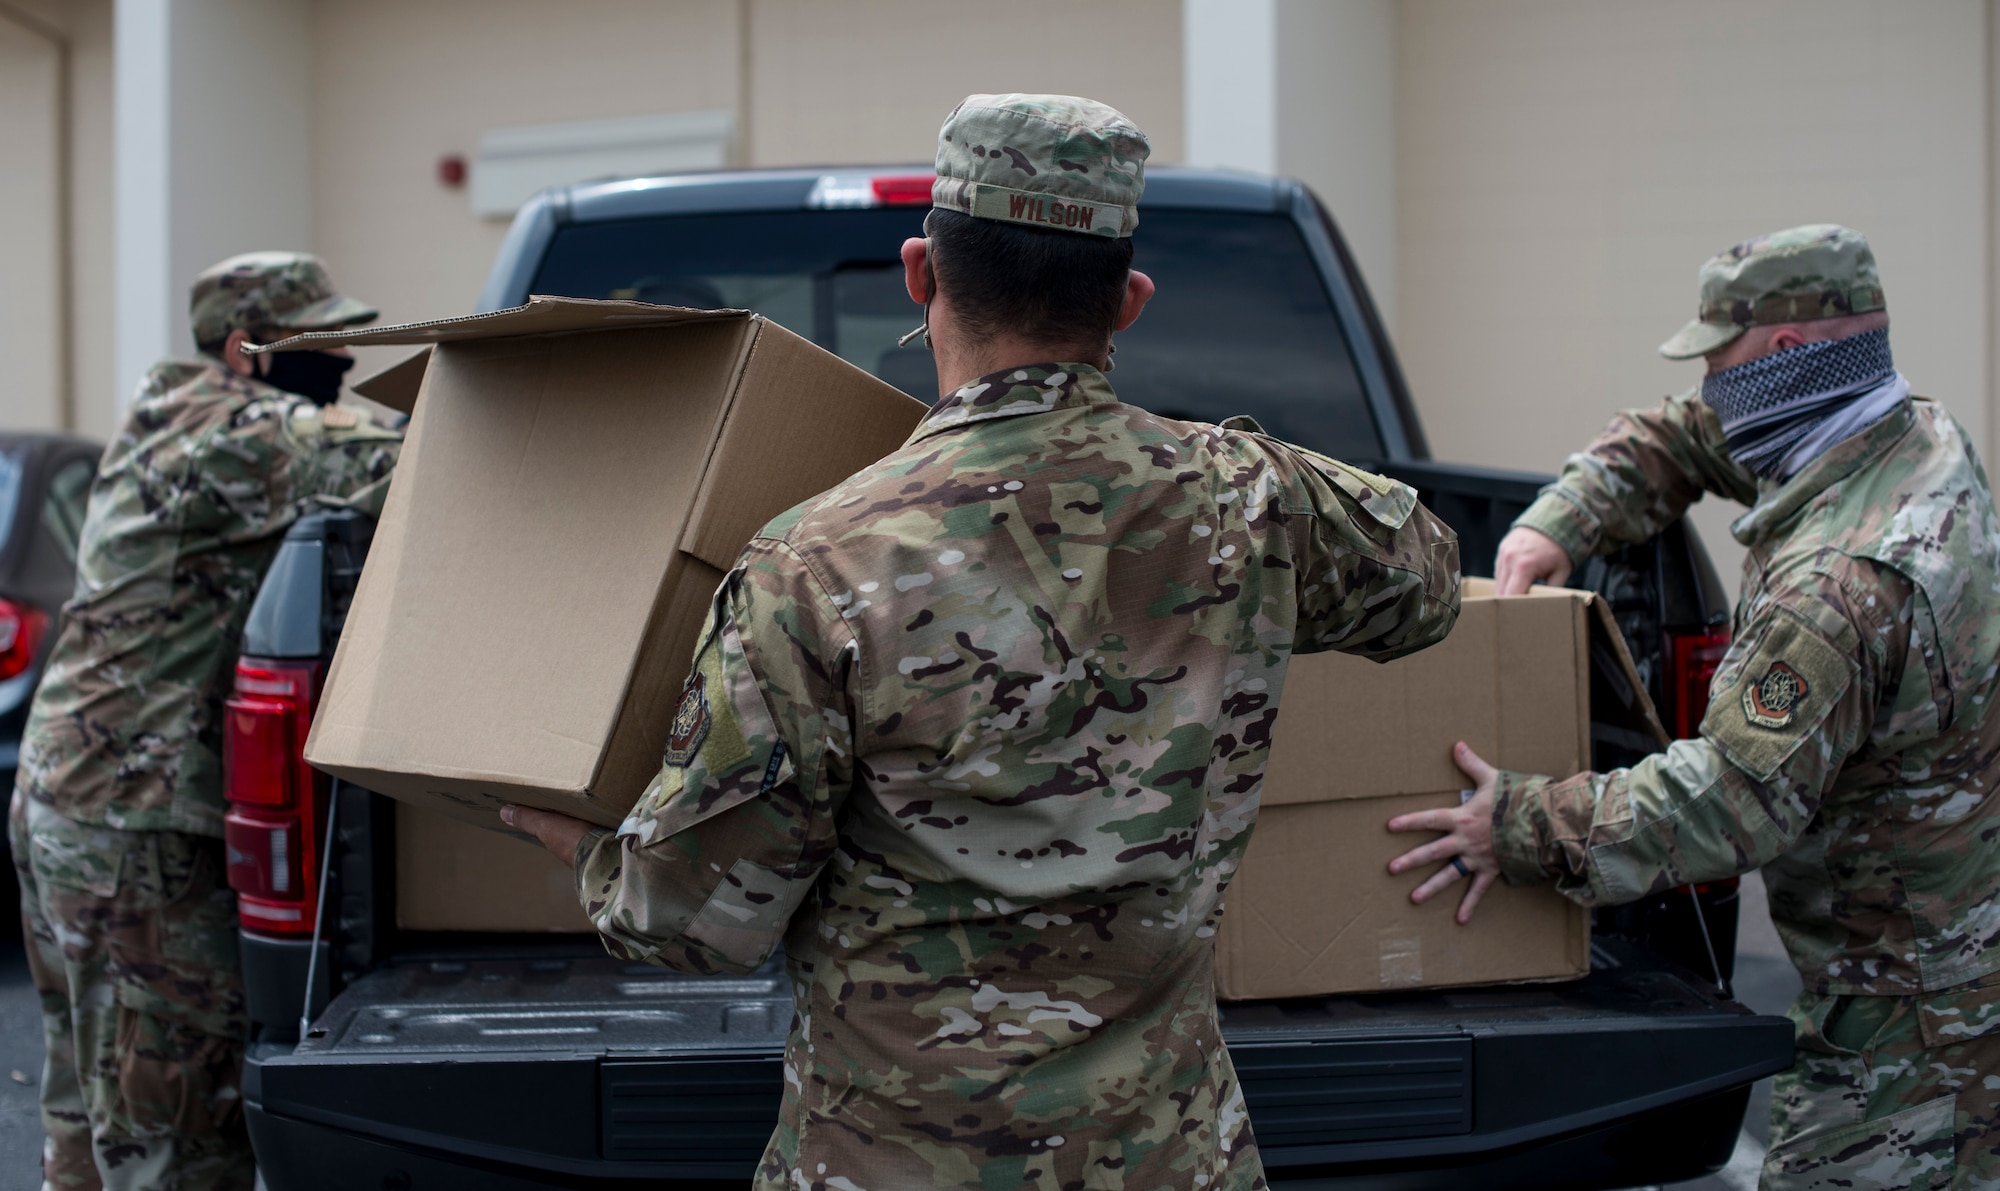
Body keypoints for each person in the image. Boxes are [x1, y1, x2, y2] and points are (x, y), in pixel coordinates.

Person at [507, 93, 1461, 1190]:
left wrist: (578, 845)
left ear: (919, 273)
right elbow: (1424, 582)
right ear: (1129, 303)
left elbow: (695, 922)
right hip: (1166, 1160)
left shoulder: (814, 563)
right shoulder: (1250, 502)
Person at [1386, 224, 2000, 1186]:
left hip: (1914, 1021)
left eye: (1721, 355)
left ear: (1790, 354)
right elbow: (1679, 437)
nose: (1712, 380)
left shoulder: (1841, 581)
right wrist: (1560, 523)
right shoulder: (1900, 432)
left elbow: (1727, 801)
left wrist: (1515, 824)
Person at [9, 251, 403, 1190]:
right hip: (130, 823)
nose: (338, 364)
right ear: (246, 350)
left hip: (66, 802)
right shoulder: (234, 430)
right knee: (177, 1133)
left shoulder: (165, 414)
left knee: (87, 1109)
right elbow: (414, 468)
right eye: (318, 344)